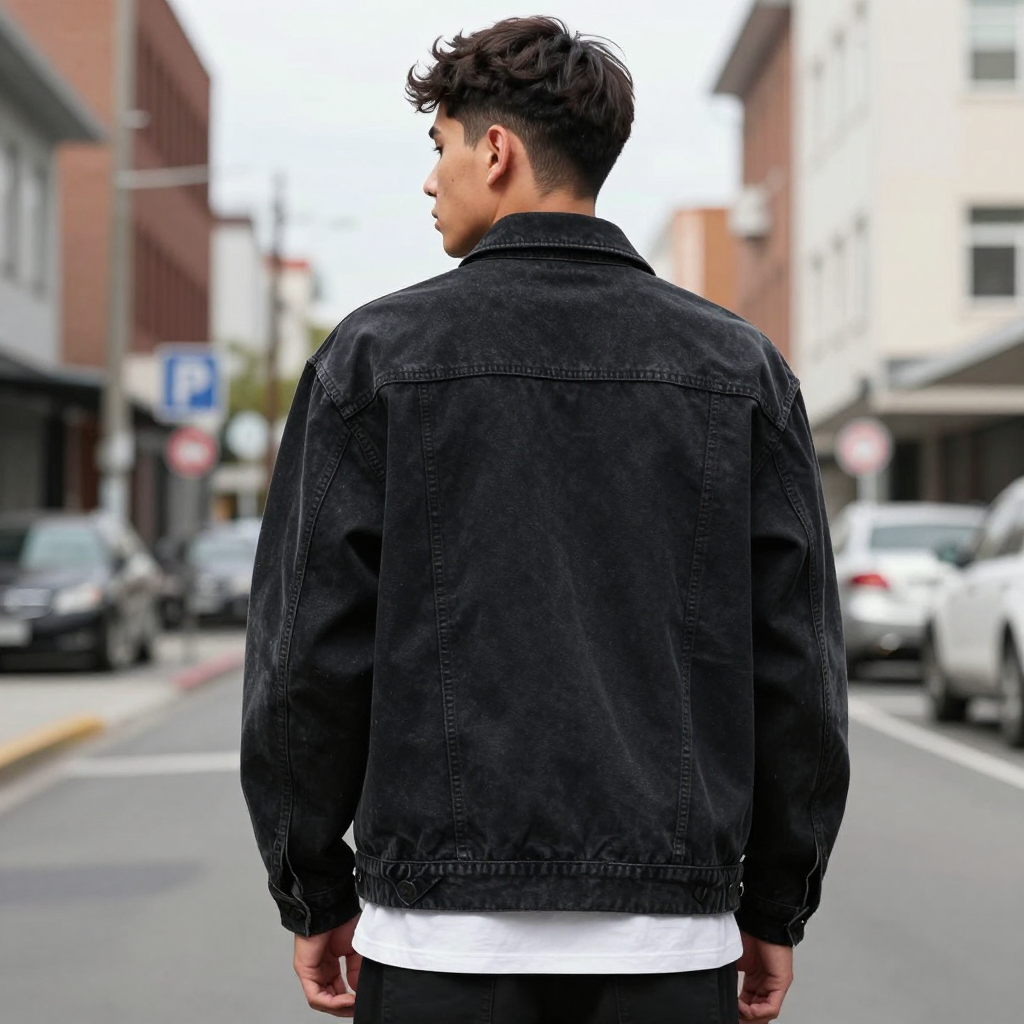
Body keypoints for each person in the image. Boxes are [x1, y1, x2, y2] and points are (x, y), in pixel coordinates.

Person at [241, 16, 849, 1024]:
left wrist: (313, 887)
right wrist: (776, 904)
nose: (429, 180)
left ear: (495, 150)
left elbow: (303, 657)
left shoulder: (372, 358)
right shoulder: (740, 370)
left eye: (437, 149)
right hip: (669, 943)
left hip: (438, 940)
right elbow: (797, 665)